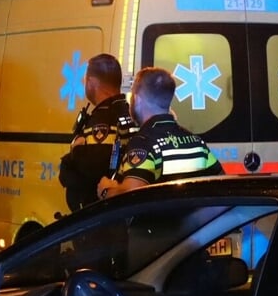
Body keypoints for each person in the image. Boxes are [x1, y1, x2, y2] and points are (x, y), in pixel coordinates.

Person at [98, 66, 220, 200]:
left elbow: (130, 199)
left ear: (137, 99)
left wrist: (106, 190)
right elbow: (223, 186)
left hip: (160, 221)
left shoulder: (143, 143)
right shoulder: (197, 142)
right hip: (195, 221)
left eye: (132, 95)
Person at [58, 53, 137, 213]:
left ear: (92, 82)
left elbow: (90, 172)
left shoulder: (102, 121)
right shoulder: (128, 111)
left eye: (85, 80)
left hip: (97, 214)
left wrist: (75, 152)